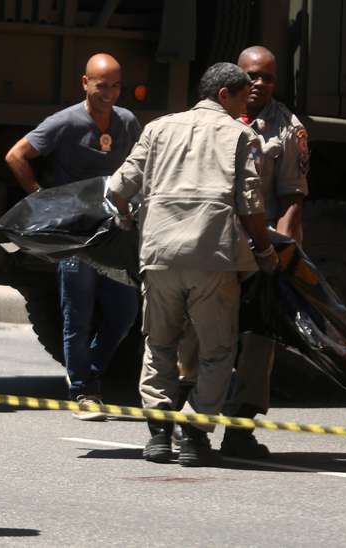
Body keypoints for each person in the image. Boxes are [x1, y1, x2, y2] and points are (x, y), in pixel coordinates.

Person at [107, 62, 279, 467]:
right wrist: (265, 250)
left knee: (159, 343)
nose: (243, 107)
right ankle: (194, 434)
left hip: (159, 256)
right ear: (224, 95)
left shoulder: (158, 128)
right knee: (218, 351)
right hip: (212, 258)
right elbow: (251, 204)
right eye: (240, 97)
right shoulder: (242, 135)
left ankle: (159, 436)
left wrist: (127, 217)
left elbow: (117, 186)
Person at [179, 46, 310, 459]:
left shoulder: (288, 128)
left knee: (257, 340)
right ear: (237, 76)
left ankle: (241, 428)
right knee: (199, 338)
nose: (258, 84)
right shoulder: (210, 118)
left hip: (258, 250)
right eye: (251, 75)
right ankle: (193, 429)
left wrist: (282, 255)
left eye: (267, 78)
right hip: (211, 247)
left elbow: (292, 197)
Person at [5, 53, 141, 421]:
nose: (108, 93)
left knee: (124, 313)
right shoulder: (64, 123)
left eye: (114, 86)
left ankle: (89, 369)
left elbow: (138, 166)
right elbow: (16, 156)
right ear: (85, 83)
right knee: (76, 315)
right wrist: (43, 200)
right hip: (76, 237)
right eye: (101, 85)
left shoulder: (127, 122)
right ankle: (83, 391)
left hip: (113, 235)